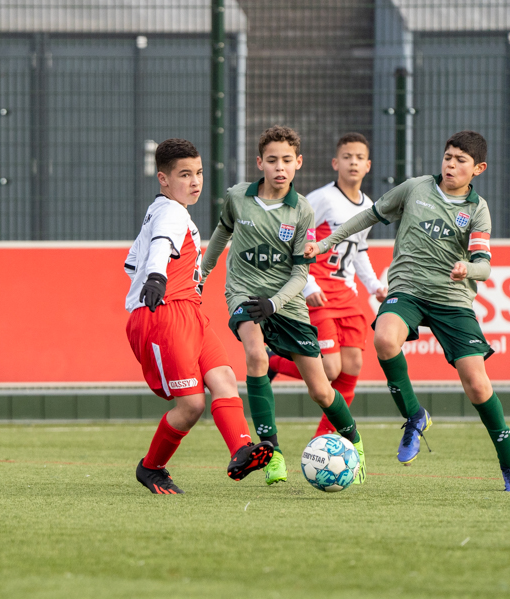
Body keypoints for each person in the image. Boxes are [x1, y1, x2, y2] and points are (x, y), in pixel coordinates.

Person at [304, 130, 510, 492]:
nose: (451, 164)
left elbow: (485, 266)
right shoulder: (415, 188)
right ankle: (414, 416)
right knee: (384, 339)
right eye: (448, 157)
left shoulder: (477, 210)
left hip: (452, 300)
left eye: (461, 160)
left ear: (478, 169)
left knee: (477, 384)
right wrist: (327, 242)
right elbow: (367, 216)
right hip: (407, 289)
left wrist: (468, 269)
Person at [200, 125, 366, 486]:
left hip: (285, 303)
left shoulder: (302, 210)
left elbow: (300, 273)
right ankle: (272, 454)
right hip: (243, 292)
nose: (280, 167)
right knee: (256, 355)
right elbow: (221, 234)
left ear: (298, 163)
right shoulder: (237, 197)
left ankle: (355, 442)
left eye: (287, 160)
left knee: (321, 388)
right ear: (259, 162)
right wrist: (202, 272)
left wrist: (274, 304)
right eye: (272, 160)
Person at [125, 138, 274, 494]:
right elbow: (160, 244)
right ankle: (151, 468)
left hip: (188, 309)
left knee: (223, 376)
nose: (195, 182)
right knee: (191, 405)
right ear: (163, 179)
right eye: (184, 175)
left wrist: (157, 276)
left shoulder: (164, 210)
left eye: (199, 173)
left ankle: (241, 449)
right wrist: (157, 277)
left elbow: (131, 262)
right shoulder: (171, 213)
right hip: (164, 314)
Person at [267, 133, 387, 438]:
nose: (353, 163)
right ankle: (275, 361)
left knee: (353, 365)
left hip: (347, 296)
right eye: (347, 157)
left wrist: (374, 285)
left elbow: (359, 250)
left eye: (359, 158)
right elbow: (297, 241)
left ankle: (325, 439)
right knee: (330, 369)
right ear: (336, 163)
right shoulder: (321, 199)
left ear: (368, 165)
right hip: (319, 294)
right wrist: (307, 285)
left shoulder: (369, 205)